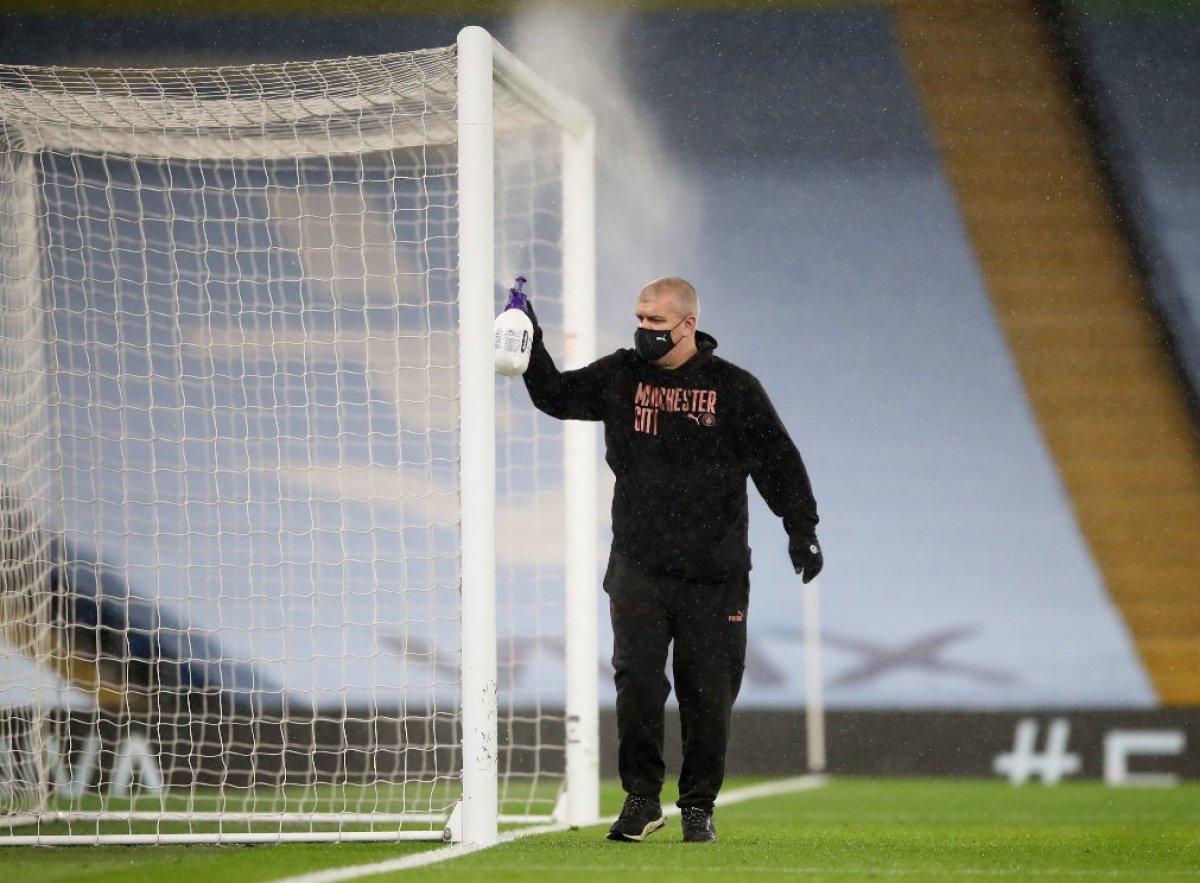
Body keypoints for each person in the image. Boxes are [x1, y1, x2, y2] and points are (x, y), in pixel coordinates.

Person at [522, 276, 822, 844]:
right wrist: (529, 337)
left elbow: (778, 460)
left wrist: (801, 528)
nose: (645, 331)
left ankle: (698, 806)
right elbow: (555, 397)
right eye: (640, 319)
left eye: (657, 322)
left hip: (715, 574)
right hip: (638, 564)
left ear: (688, 324)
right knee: (636, 682)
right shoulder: (618, 375)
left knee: (708, 692)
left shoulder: (733, 388)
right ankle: (640, 799)